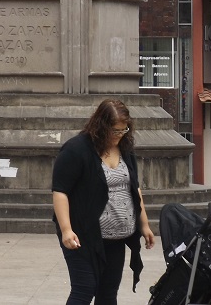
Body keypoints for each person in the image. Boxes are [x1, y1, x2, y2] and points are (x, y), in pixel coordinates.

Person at [51, 99, 155, 305]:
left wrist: (144, 224)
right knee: (85, 288)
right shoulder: (76, 150)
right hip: (83, 236)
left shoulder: (125, 149)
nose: (119, 135)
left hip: (116, 238)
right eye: (114, 131)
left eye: (123, 130)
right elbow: (60, 191)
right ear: (101, 126)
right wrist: (66, 230)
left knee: (108, 294)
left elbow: (134, 188)